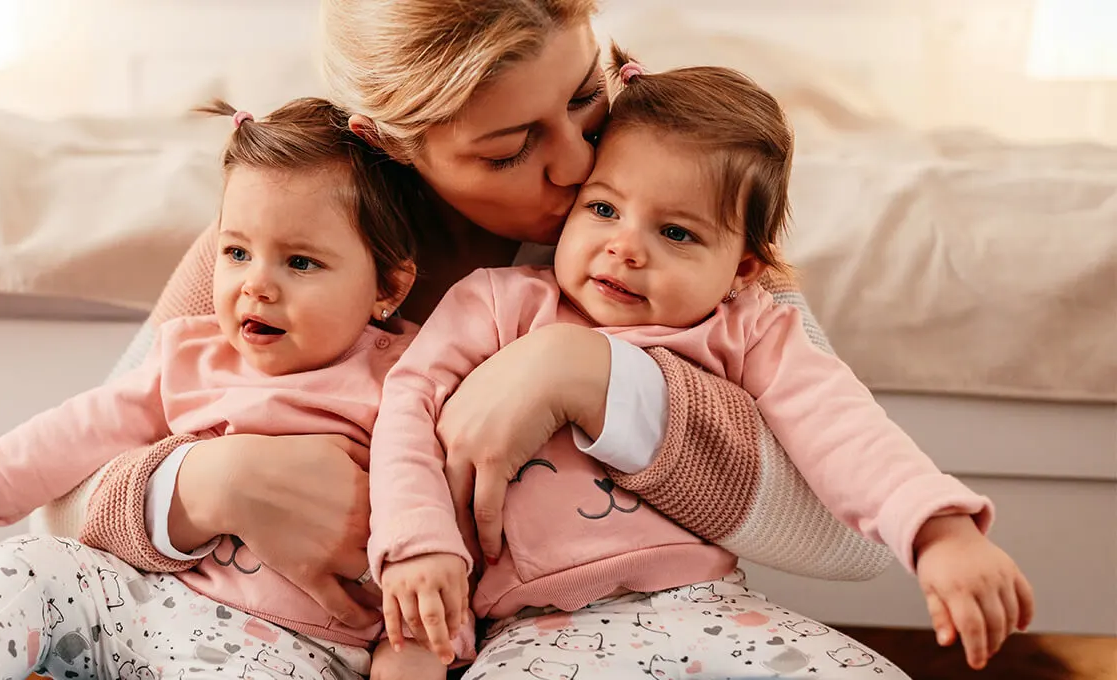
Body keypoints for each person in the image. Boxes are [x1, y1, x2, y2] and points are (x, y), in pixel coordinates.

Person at [370, 45, 1035, 678]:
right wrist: (418, 549)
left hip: (706, 603)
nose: (625, 248)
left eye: (677, 233)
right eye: (602, 208)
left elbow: (843, 427)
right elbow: (407, 408)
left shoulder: (748, 325)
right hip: (536, 626)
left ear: (742, 266)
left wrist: (941, 532)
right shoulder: (497, 302)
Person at [0, 97, 446, 680]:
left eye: (300, 262)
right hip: (143, 599)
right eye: (236, 252)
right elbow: (71, 434)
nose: (256, 285)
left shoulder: (406, 378)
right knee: (29, 565)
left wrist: (413, 649)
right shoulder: (193, 353)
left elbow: (440, 524)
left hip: (294, 648)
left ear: (388, 287)